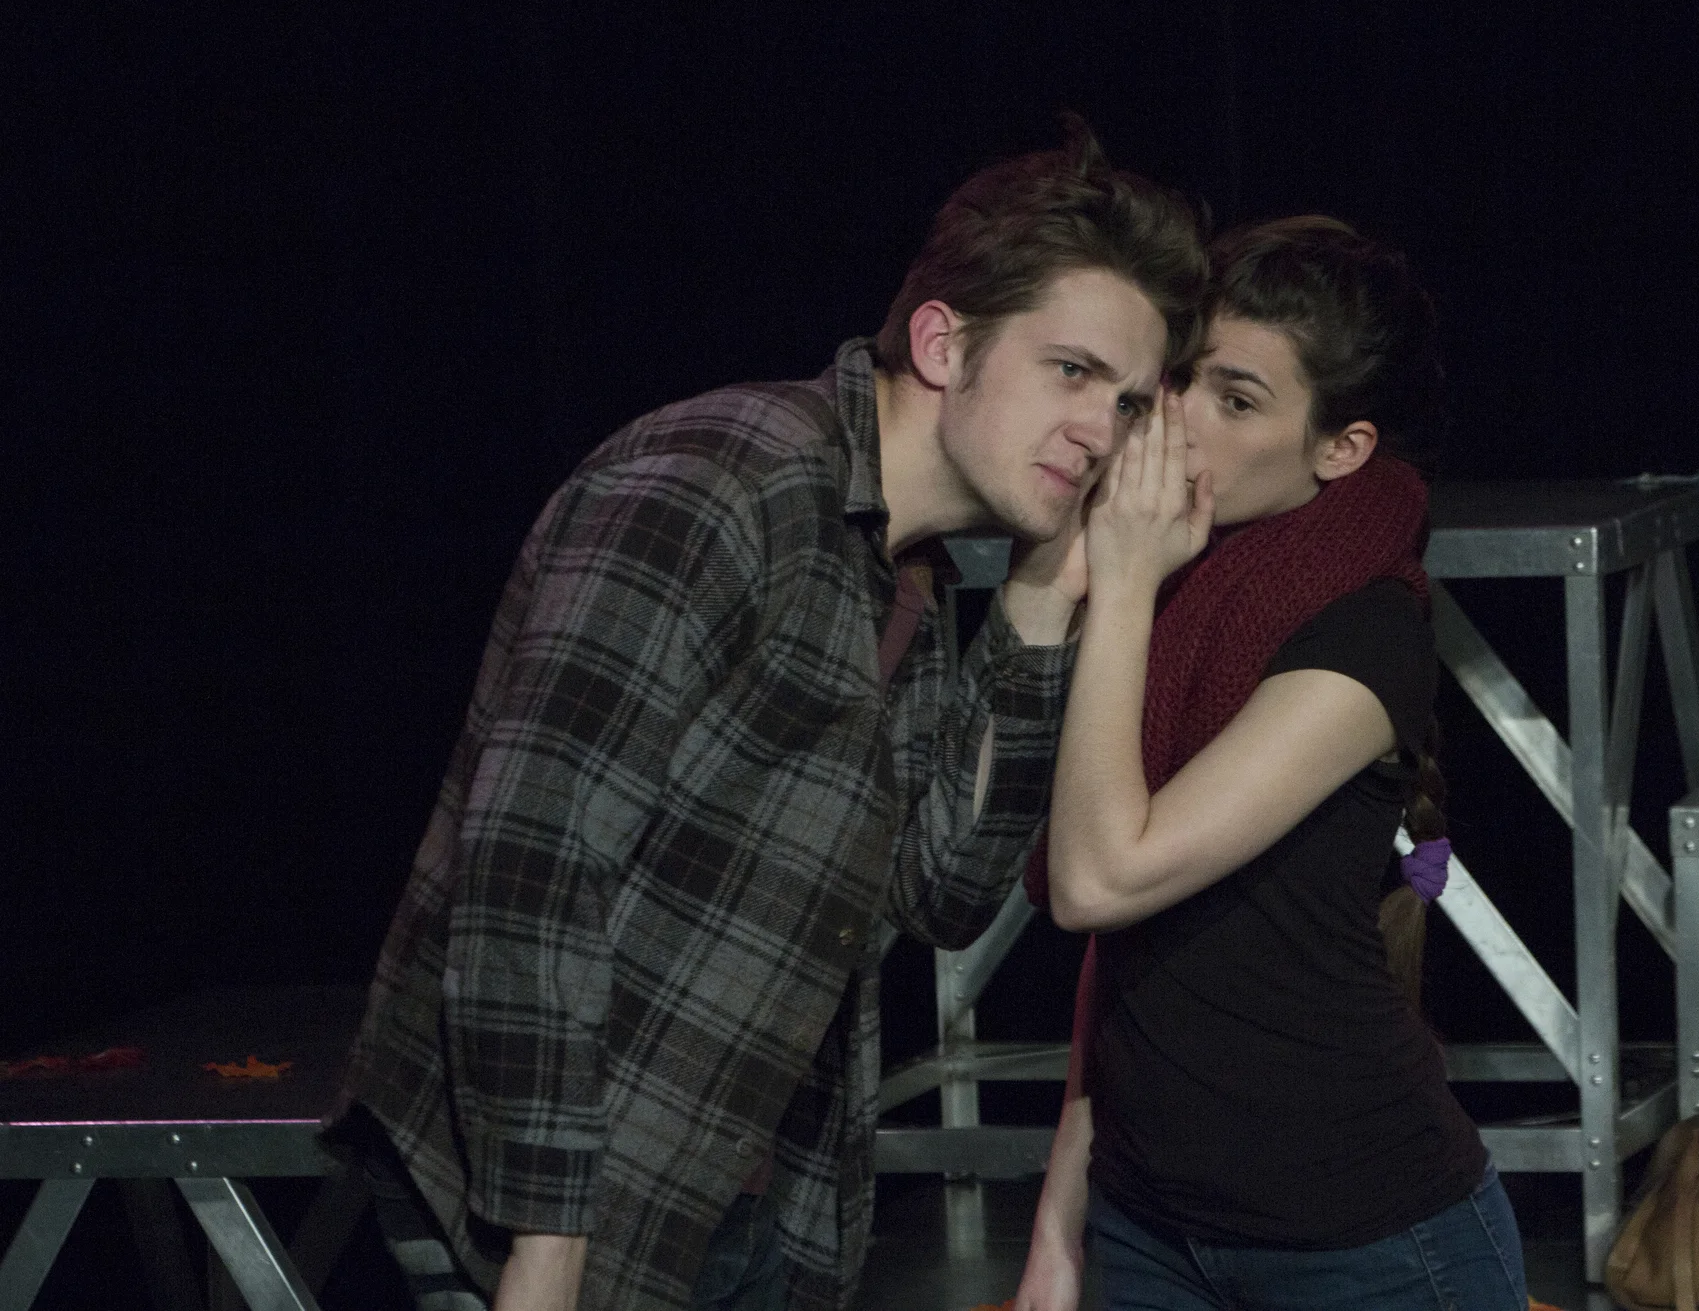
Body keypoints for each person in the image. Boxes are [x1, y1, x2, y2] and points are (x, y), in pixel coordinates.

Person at [330, 120, 1208, 1311]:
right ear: (944, 342)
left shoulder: (908, 576)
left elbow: (944, 888)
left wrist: (1048, 595)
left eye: (1129, 401)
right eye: (1070, 371)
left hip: (724, 1200)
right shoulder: (720, 482)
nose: (1101, 431)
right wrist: (543, 1244)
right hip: (543, 1200)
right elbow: (532, 868)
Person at [1013, 218, 1527, 1311]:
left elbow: (1100, 875)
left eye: (1236, 400)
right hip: (1149, 1226)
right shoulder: (1182, 592)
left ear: (1339, 449)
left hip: (1368, 1245)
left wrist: (1123, 584)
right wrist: (1059, 1228)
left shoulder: (1365, 630)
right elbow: (1121, 955)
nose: (1177, 420)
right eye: (1182, 377)